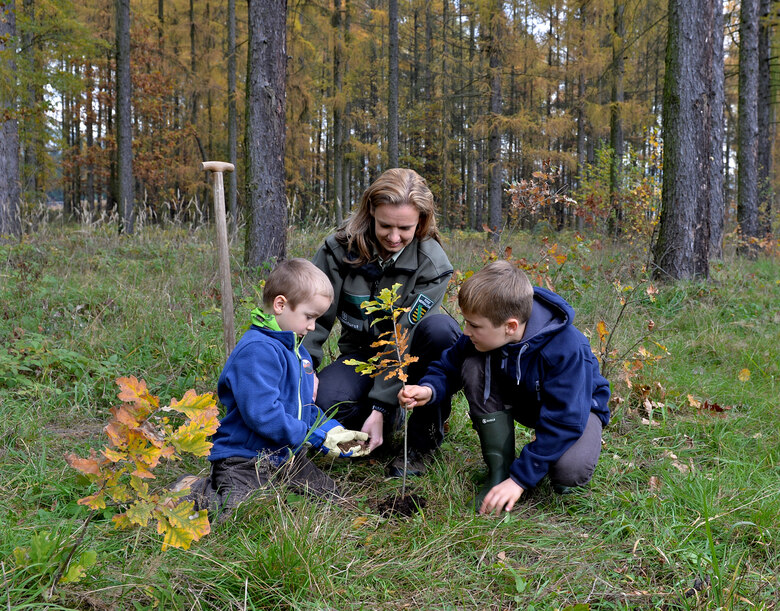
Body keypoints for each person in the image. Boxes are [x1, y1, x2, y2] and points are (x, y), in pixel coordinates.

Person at [398, 260, 610, 514]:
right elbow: (448, 366)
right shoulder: (484, 334)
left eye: (474, 325)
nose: (465, 332)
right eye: (466, 322)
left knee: (568, 473)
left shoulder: (567, 348)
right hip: (525, 397)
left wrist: (520, 480)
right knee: (474, 363)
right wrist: (429, 390)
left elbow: (566, 420)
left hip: (578, 410)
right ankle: (499, 470)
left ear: (510, 326)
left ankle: (533, 470)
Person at [303, 168, 460, 477]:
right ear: (371, 211)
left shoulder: (432, 264)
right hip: (361, 357)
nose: (393, 237)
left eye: (405, 228)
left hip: (411, 360)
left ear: (422, 221)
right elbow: (312, 316)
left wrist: (380, 405)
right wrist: (304, 369)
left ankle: (420, 443)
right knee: (325, 404)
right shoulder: (338, 250)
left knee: (442, 332)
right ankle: (384, 423)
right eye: (385, 225)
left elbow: (403, 335)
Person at [190, 259, 370, 515]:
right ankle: (194, 490)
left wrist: (332, 431)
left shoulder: (298, 352)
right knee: (240, 513)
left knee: (330, 498)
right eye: (309, 317)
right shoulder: (257, 351)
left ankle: (277, 483)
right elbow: (263, 414)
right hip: (244, 457)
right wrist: (313, 436)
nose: (312, 326)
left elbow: (303, 407)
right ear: (280, 305)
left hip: (286, 454)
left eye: (316, 319)